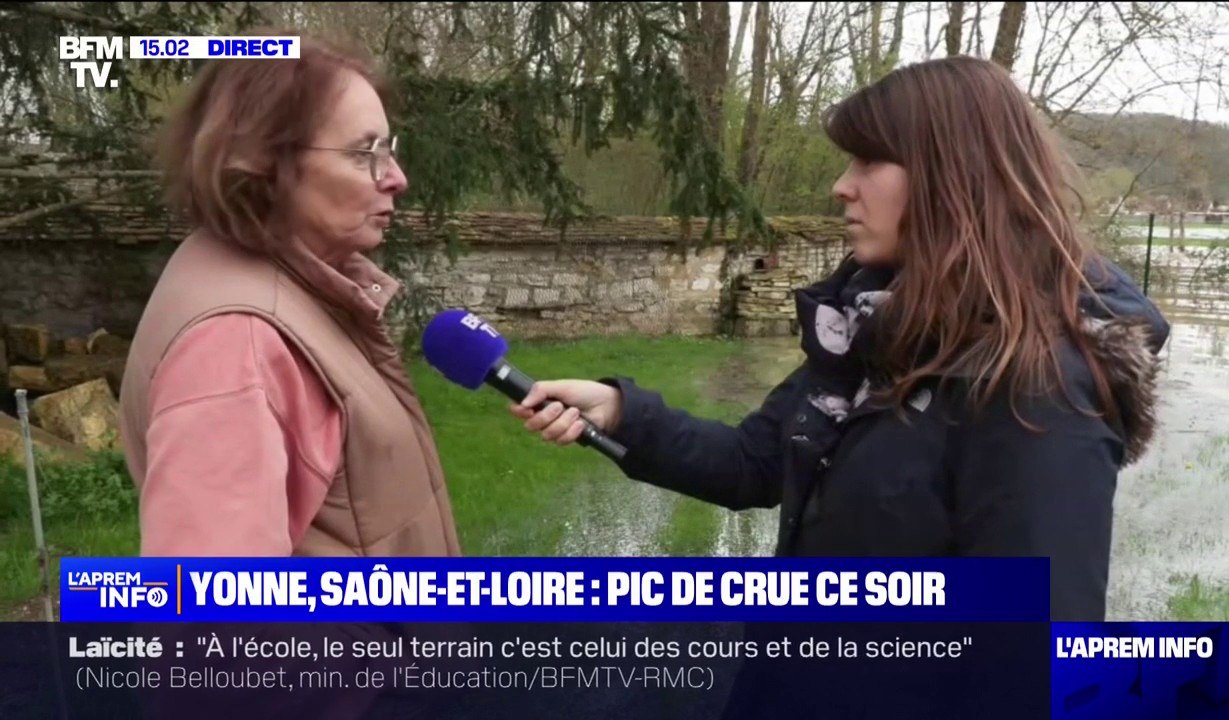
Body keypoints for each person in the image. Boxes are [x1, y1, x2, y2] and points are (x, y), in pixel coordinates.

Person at [510, 55, 1169, 624]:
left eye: (869, 160)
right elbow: (757, 462)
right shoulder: (873, 331)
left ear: (957, 175)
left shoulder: (1038, 390)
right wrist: (625, 413)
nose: (840, 186)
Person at [118, 32, 461, 560]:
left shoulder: (289, 281)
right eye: (364, 152)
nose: (397, 178)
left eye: (390, 150)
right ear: (262, 161)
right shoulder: (235, 345)